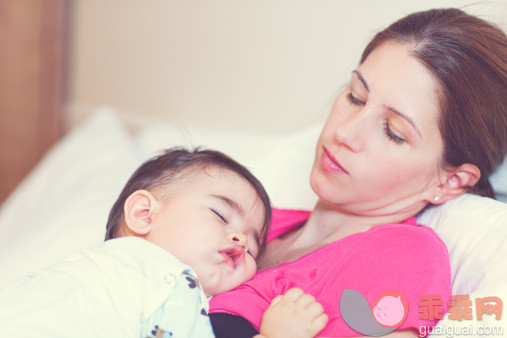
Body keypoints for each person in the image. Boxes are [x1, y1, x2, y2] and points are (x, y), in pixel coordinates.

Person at [209, 8, 507, 338]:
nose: (346, 133)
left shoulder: (402, 259)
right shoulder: (250, 220)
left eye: (393, 131)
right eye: (355, 96)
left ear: (450, 181)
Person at [0, 148, 328, 338]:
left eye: (254, 247)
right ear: (144, 214)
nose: (240, 239)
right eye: (220, 213)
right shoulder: (169, 280)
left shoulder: (105, 275)